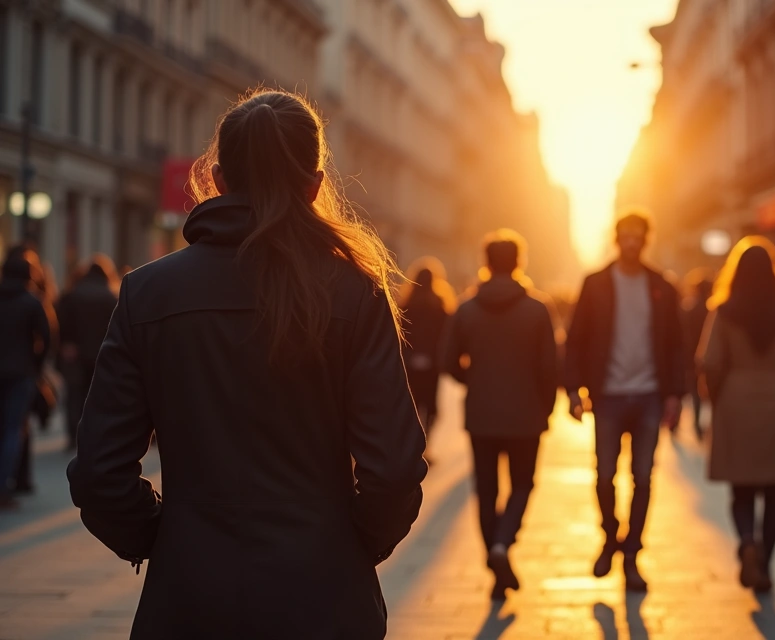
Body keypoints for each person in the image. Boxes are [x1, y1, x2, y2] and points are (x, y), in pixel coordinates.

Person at [67, 90, 428, 639]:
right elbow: (395, 468)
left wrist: (163, 540)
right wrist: (351, 545)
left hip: (190, 598)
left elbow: (99, 473)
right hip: (324, 599)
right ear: (313, 185)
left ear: (216, 177)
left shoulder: (147, 293)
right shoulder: (354, 293)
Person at [565, 210, 685, 592]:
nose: (632, 241)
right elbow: (576, 339)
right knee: (603, 475)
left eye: (639, 235)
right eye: (626, 235)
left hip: (649, 395)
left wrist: (675, 395)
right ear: (617, 239)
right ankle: (610, 537)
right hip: (609, 396)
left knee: (643, 478)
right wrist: (573, 390)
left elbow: (676, 344)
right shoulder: (596, 283)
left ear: (646, 239)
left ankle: (632, 554)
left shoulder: (662, 286)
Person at [441, 230, 558, 601]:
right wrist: (546, 406)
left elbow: (449, 361)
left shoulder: (466, 308)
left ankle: (494, 556)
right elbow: (550, 367)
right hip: (525, 415)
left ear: (486, 263)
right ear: (519, 262)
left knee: (486, 491)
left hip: (481, 414)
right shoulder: (538, 309)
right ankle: (503, 544)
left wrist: (474, 379)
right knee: (522, 484)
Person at [699, 239, 775, 593]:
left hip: (736, 402)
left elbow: (711, 362)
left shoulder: (723, 312)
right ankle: (765, 563)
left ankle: (747, 543)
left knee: (741, 490)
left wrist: (717, 397)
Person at [0, 250, 52, 508]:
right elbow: (48, 337)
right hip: (21, 372)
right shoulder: (32, 301)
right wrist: (36, 365)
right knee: (12, 430)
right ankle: (4, 488)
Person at [57, 255, 120, 450]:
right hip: (102, 352)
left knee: (74, 395)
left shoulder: (72, 294)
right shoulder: (111, 296)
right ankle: (94, 435)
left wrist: (67, 343)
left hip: (74, 353)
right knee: (98, 395)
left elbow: (59, 322)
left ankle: (72, 435)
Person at [399, 259, 455, 433]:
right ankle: (425, 441)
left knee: (410, 404)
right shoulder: (441, 307)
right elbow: (446, 336)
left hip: (408, 362)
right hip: (432, 363)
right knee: (430, 405)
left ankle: (410, 442)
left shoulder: (405, 306)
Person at [682, 270, 714, 440]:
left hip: (692, 356)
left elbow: (684, 335)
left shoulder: (689, 309)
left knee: (695, 392)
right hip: (710, 357)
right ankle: (708, 425)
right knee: (711, 392)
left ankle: (696, 422)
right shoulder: (713, 310)